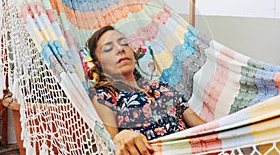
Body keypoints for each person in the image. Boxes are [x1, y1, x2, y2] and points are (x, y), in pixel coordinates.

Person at [86, 25, 205, 155]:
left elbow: (203, 129)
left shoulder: (163, 88)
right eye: (108, 49)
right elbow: (110, 145)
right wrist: (122, 136)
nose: (120, 49)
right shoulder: (105, 97)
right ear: (98, 64)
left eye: (124, 44)